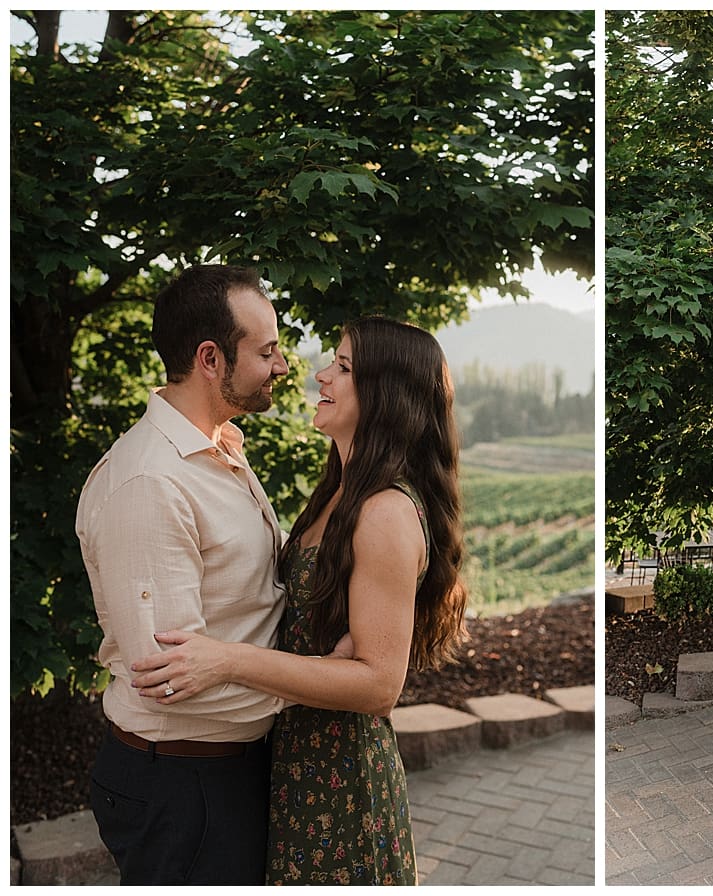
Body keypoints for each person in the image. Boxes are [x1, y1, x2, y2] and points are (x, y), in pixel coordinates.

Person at [129, 316, 468, 885]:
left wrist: (227, 659)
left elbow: (380, 685)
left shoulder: (384, 510)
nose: (320, 375)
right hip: (299, 759)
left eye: (343, 367)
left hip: (344, 782)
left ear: (387, 392)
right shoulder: (341, 487)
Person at [76, 264, 291, 883]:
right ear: (210, 358)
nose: (280, 366)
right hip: (182, 786)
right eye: (267, 350)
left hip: (223, 771)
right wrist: (323, 680)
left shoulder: (219, 446)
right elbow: (171, 676)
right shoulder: (151, 482)